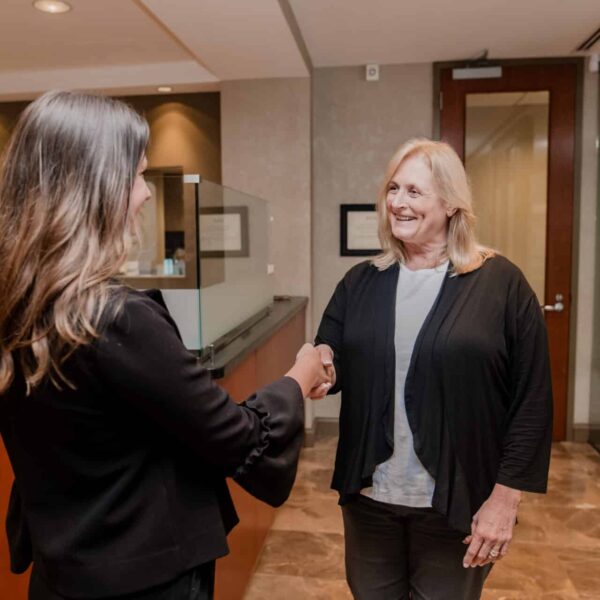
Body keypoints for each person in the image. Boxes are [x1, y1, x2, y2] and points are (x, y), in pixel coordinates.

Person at [0, 90, 331, 600]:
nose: (145, 194)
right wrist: (298, 376)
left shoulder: (17, 306)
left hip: (61, 573)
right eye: (136, 176)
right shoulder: (117, 317)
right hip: (144, 578)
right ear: (96, 187)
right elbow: (239, 438)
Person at [312, 138, 553, 599]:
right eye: (393, 189)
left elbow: (532, 400)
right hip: (371, 500)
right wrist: (322, 367)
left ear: (450, 202)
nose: (399, 203)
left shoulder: (500, 283)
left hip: (458, 502)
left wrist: (505, 500)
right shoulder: (362, 281)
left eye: (415, 192)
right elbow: (332, 350)